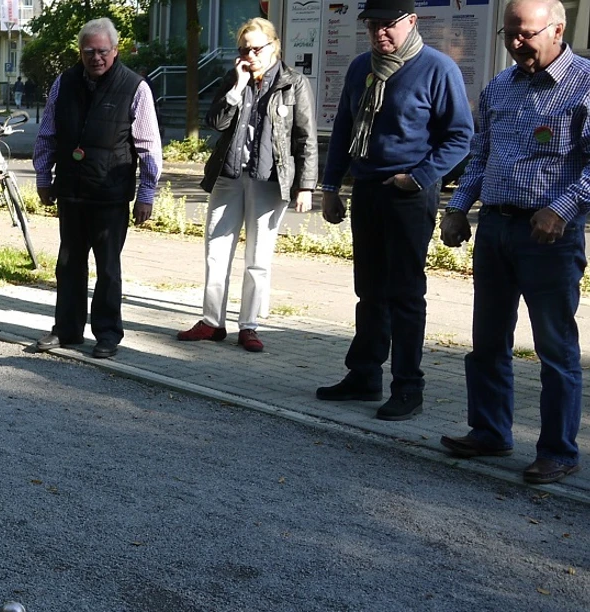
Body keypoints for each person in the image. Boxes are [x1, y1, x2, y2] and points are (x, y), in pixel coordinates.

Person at [439, 0, 589, 484]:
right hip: (497, 230)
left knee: (555, 349)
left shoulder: (585, 84)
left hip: (551, 238)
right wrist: (459, 206)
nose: (515, 44)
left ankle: (559, 450)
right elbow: (480, 155)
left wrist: (560, 209)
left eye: (525, 34)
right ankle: (489, 430)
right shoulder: (500, 86)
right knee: (487, 341)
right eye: (509, 35)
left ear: (557, 29)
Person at [315, 0, 473, 419]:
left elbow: (460, 137)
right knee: (369, 290)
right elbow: (345, 129)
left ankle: (408, 386)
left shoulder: (438, 69)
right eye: (372, 26)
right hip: (367, 189)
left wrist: (417, 177)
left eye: (388, 25)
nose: (379, 33)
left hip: (408, 192)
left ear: (412, 22)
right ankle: (365, 375)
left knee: (404, 293)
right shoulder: (360, 68)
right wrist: (330, 187)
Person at [178, 18, 317, 353]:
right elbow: (217, 122)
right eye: (244, 49)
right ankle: (212, 322)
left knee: (258, 257)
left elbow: (305, 138)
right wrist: (237, 89)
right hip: (229, 177)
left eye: (257, 48)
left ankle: (249, 325)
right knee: (216, 252)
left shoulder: (293, 83)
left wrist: (306, 186)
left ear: (274, 46)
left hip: (269, 180)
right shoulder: (233, 79)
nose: (250, 54)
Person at [28, 18, 163, 359]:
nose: (96, 58)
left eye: (103, 51)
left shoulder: (135, 87)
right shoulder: (65, 82)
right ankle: (68, 330)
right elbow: (47, 134)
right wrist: (44, 177)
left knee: (108, 268)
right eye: (89, 51)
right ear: (80, 52)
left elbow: (149, 146)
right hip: (72, 191)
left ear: (115, 51)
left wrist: (146, 194)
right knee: (69, 265)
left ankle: (107, 334)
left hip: (110, 194)